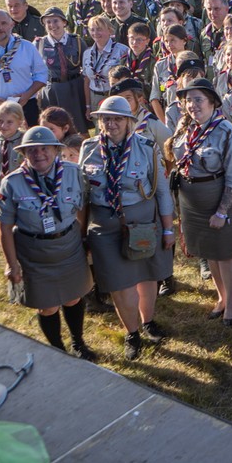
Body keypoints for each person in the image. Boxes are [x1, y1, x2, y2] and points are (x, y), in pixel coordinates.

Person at [78, 96, 173, 360]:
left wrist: (168, 229)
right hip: (105, 224)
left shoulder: (146, 148)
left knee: (146, 275)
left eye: (117, 118)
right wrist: (81, 234)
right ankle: (132, 333)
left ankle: (148, 321)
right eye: (106, 119)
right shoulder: (89, 149)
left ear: (129, 121)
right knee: (120, 284)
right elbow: (82, 197)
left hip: (142, 222)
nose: (111, 124)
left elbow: (162, 192)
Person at [0, 126, 95, 359]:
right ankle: (57, 350)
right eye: (32, 150)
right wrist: (12, 264)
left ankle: (78, 342)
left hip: (69, 246)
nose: (39, 154)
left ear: (56, 150)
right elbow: (5, 227)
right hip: (34, 252)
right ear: (24, 154)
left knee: (73, 297)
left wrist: (82, 238)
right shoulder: (12, 183)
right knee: (47, 306)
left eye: (44, 148)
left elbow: (82, 207)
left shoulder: (73, 172)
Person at [169, 78, 232, 327]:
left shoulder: (227, 132)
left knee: (226, 253)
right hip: (194, 204)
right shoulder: (186, 127)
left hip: (222, 201)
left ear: (212, 102)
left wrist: (222, 212)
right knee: (210, 252)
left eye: (198, 99)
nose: (192, 105)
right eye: (188, 100)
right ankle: (222, 297)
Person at [34, 7, 88, 138]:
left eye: (55, 21)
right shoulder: (39, 44)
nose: (52, 25)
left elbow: (86, 65)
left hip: (75, 88)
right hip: (53, 90)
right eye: (48, 22)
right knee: (54, 128)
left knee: (80, 128)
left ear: (64, 22)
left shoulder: (76, 41)